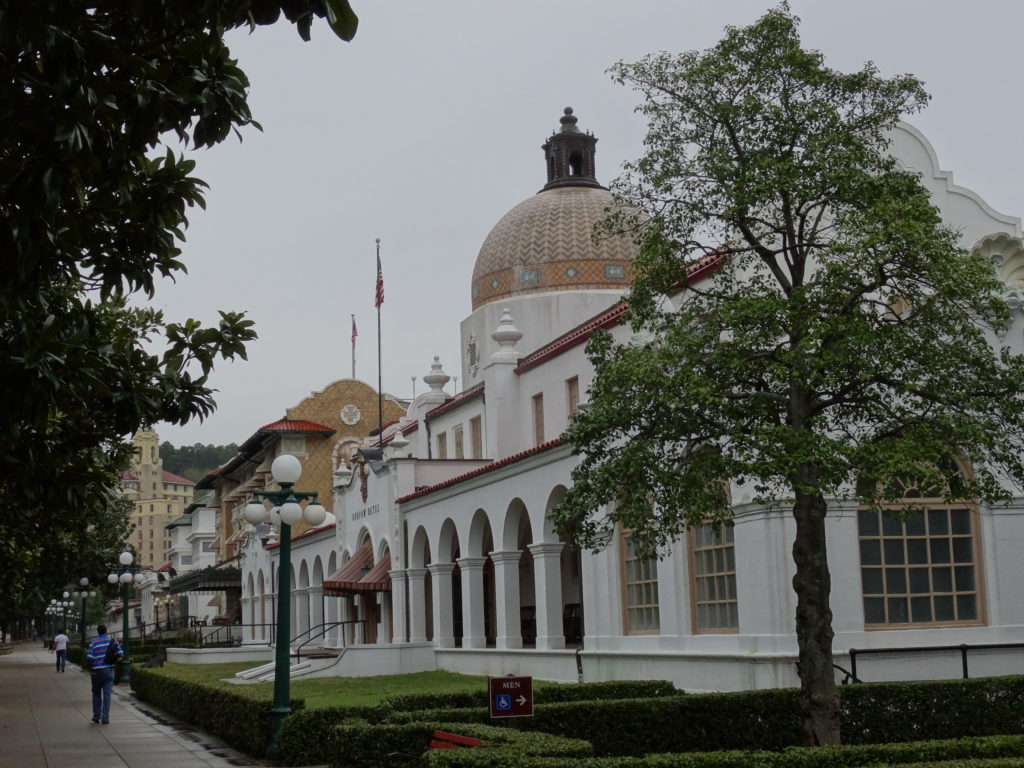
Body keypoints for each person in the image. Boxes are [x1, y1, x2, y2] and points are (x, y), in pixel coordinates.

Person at [86, 625, 122, 724]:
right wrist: (112, 661)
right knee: (107, 695)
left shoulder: (94, 642)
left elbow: (90, 657)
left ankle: (96, 715)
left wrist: (93, 668)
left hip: (96, 671)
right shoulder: (113, 641)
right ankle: (105, 718)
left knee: (96, 694)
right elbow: (120, 654)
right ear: (106, 631)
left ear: (98, 632)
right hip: (109, 671)